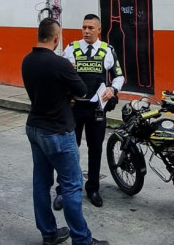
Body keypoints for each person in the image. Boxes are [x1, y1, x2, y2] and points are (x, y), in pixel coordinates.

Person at [22, 17, 110, 245]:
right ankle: (82, 241)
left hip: (34, 127)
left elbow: (39, 91)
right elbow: (82, 90)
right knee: (72, 185)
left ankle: (49, 234)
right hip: (58, 130)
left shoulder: (27, 60)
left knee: (41, 183)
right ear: (56, 37)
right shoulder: (60, 63)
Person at [52, 14, 124, 210]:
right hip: (73, 109)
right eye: (84, 27)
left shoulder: (107, 50)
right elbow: (57, 75)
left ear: (99, 30)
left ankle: (93, 188)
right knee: (68, 151)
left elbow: (119, 76)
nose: (86, 31)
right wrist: (67, 69)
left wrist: (113, 89)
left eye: (91, 28)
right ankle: (63, 190)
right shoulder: (71, 49)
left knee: (96, 150)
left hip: (97, 109)